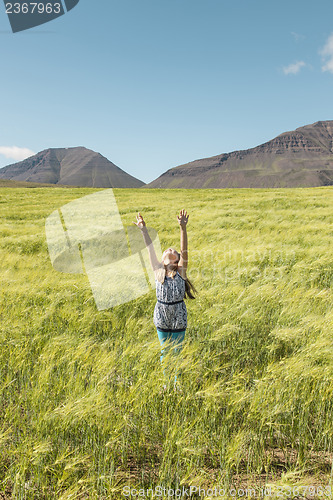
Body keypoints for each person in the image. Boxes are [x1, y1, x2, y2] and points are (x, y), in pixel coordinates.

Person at [133, 209, 196, 392]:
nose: (170, 249)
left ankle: (177, 384)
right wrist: (144, 230)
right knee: (165, 350)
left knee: (177, 351)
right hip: (161, 314)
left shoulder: (180, 272)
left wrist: (182, 228)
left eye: (173, 250)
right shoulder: (157, 270)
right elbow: (150, 249)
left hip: (178, 314)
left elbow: (184, 250)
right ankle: (166, 383)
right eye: (167, 249)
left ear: (176, 260)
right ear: (162, 260)